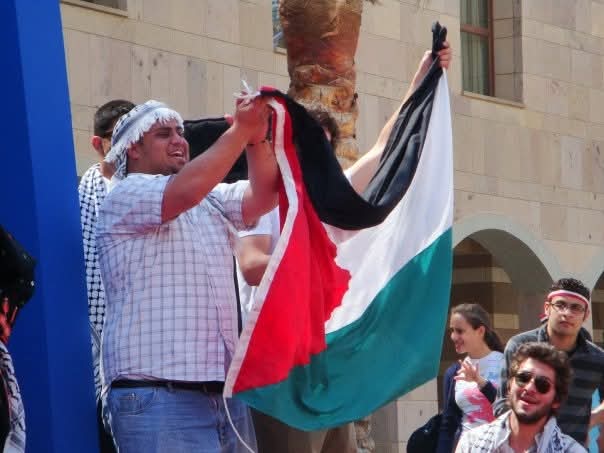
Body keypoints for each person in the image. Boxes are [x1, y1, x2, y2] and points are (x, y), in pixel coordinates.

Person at [236, 43, 452, 453]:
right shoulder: (261, 201)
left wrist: (420, 83)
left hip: (328, 361)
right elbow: (251, 265)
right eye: (308, 147)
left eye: (324, 150)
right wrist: (315, 265)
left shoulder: (331, 203)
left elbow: (382, 150)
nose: (317, 160)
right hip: (281, 369)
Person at [96, 97, 279, 452]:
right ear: (133, 150)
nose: (179, 140)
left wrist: (258, 140)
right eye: (165, 134)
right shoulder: (124, 194)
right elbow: (186, 190)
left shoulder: (208, 198)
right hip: (158, 397)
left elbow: (264, 196)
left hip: (220, 396)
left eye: (181, 132)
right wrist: (241, 130)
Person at [77, 99, 135, 453]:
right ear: (98, 145)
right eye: (119, 137)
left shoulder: (172, 196)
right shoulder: (78, 198)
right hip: (98, 351)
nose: (130, 145)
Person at [493, 278, 604, 446]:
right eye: (560, 305)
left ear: (585, 315)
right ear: (547, 308)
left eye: (576, 308)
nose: (567, 313)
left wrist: (592, 420)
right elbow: (501, 403)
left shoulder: (597, 359)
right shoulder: (519, 346)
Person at [456, 342, 586, 452]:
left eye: (542, 385)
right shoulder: (471, 444)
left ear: (556, 400)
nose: (529, 388)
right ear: (509, 385)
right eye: (523, 378)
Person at [436, 303, 505, 453]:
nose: (453, 337)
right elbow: (448, 424)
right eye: (452, 331)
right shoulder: (454, 372)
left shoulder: (506, 363)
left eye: (460, 331)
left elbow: (511, 408)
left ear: (480, 331)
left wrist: (481, 382)